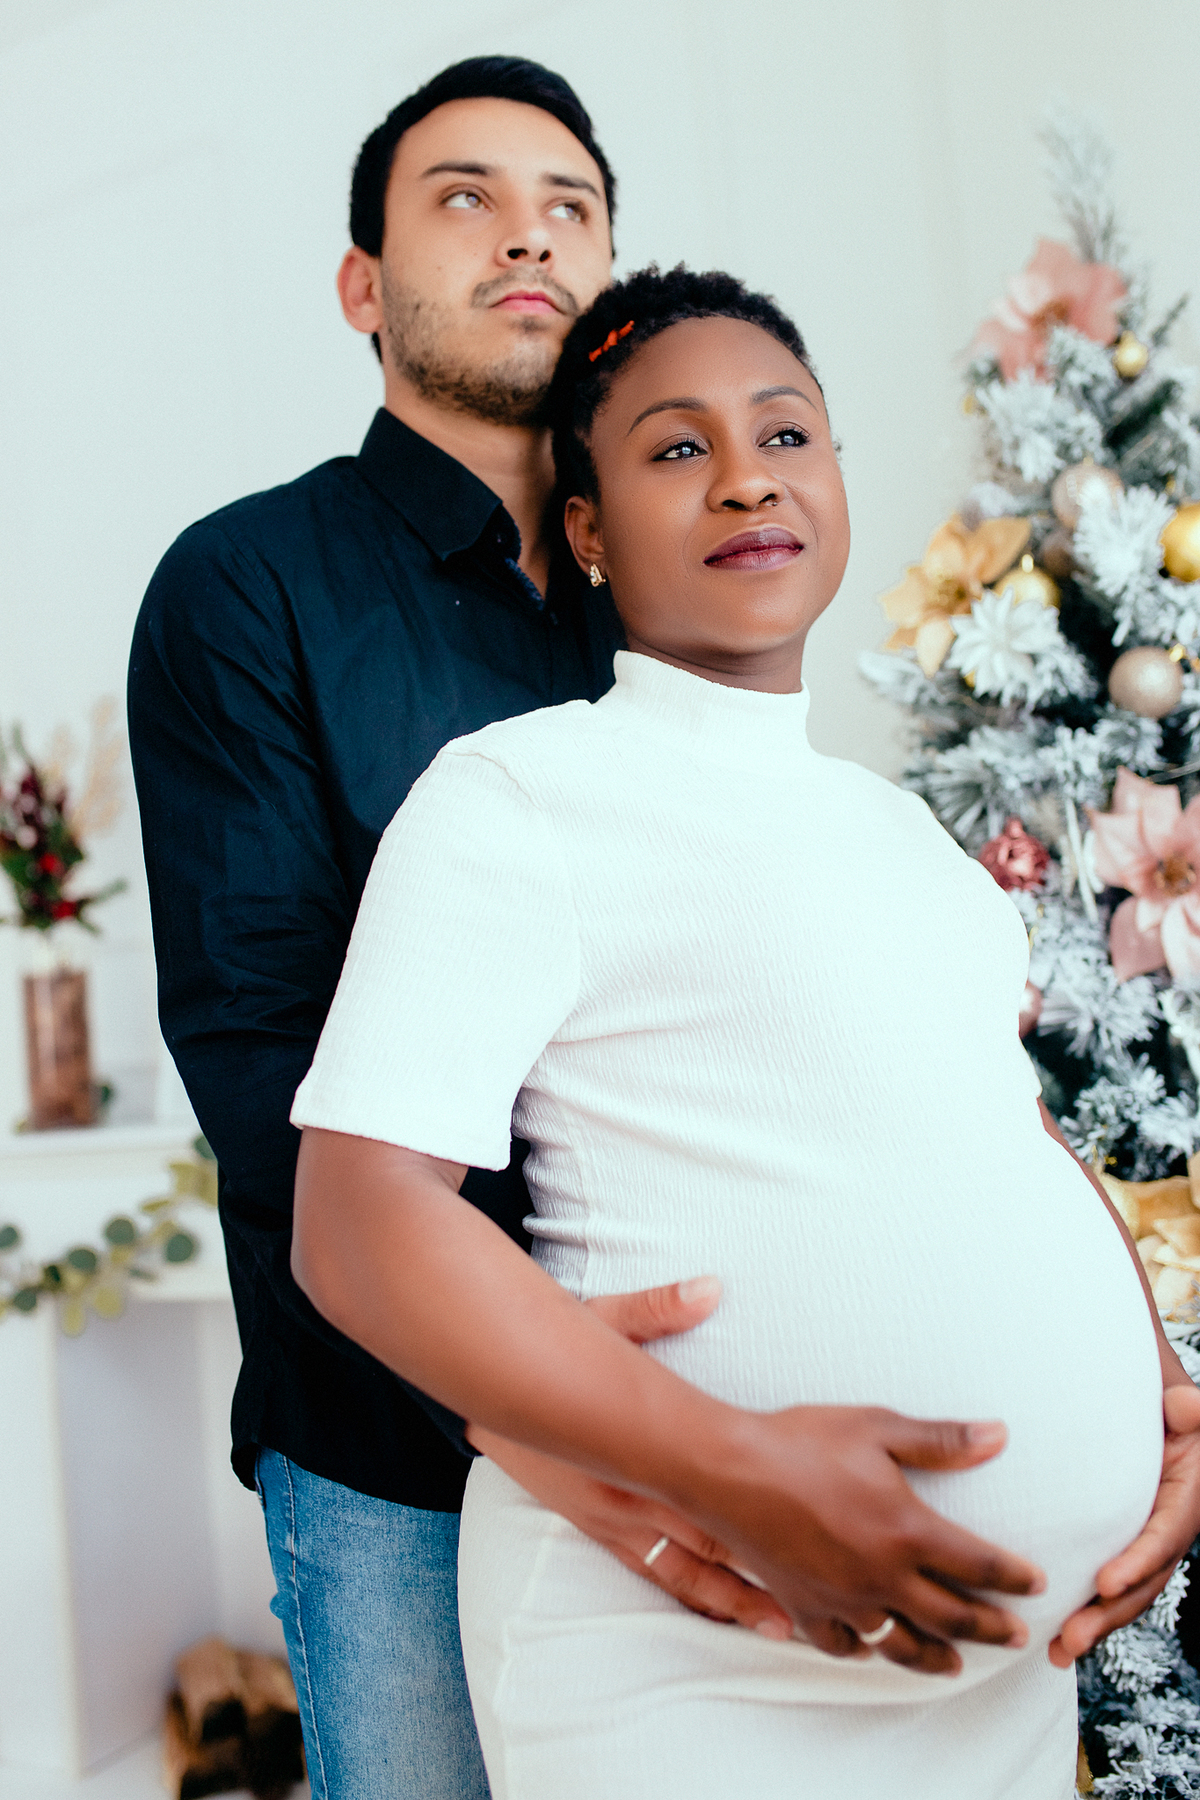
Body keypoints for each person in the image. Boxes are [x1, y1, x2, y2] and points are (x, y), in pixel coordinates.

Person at [290, 266, 1200, 1800]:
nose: (747, 477)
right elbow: (357, 1223)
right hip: (691, 1661)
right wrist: (736, 1468)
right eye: (675, 447)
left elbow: (1015, 1135)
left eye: (786, 433)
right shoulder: (518, 795)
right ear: (587, 530)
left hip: (1001, 1694)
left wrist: (1160, 1403)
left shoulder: (907, 833)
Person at [130, 59, 806, 1800]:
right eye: (467, 198)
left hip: (706, 1392)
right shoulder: (244, 586)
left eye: (569, 206)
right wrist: (528, 1407)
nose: (529, 235)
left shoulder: (673, 590)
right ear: (363, 286)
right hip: (398, 1454)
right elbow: (262, 1057)